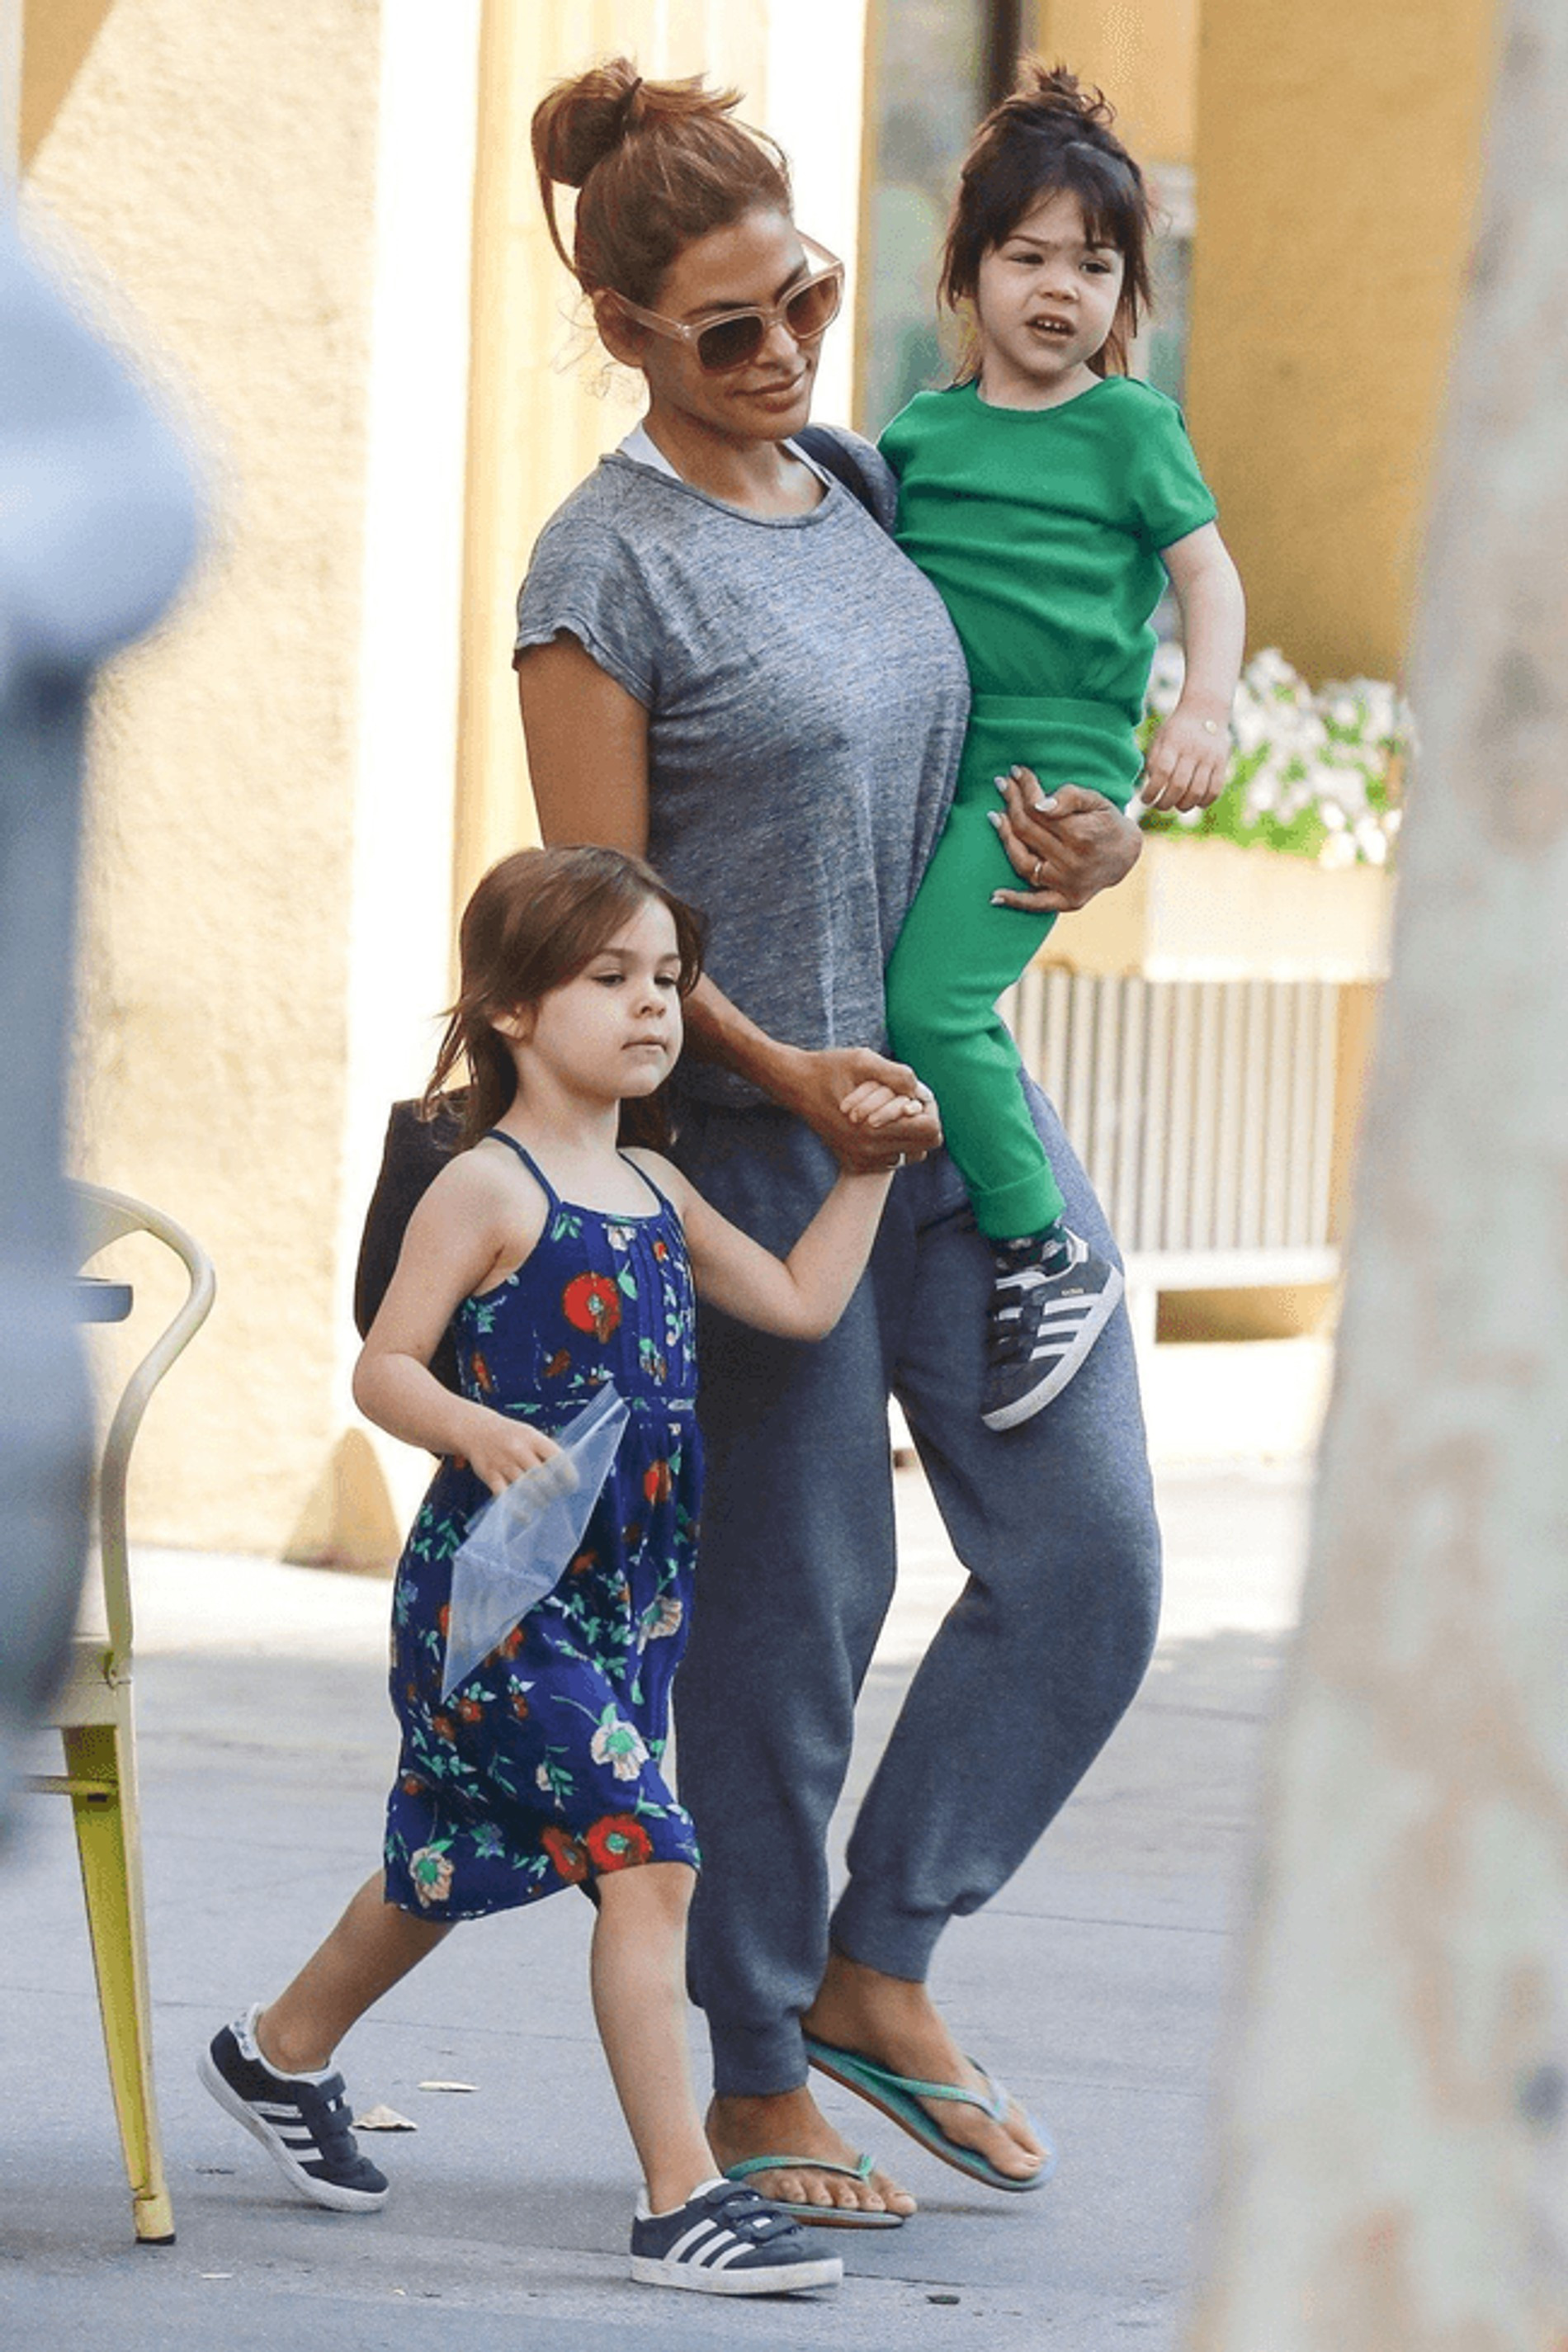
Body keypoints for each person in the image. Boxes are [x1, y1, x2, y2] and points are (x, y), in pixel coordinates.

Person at [514, 59, 1161, 2227]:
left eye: (802, 295)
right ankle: (760, 2061)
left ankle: (885, 1960)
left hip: (950, 1111)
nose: (787, 347)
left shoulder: (869, 482)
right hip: (755, 1148)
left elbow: (1030, 715)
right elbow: (594, 926)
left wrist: (1101, 835)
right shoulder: (600, 567)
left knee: (1089, 1560)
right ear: (623, 329)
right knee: (796, 1618)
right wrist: (788, 1073)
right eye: (730, 329)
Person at [201, 843, 916, 2298]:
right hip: (498, 1599)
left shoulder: (654, 1182)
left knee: (445, 1858)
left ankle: (279, 2051)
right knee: (650, 1855)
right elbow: (384, 1365)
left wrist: (866, 1172)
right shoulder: (488, 1185)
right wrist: (471, 1427)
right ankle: (681, 2196)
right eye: (611, 977)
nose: (653, 1004)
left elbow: (797, 1299)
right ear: (513, 1008)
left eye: (666, 979)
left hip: (620, 1602)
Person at [882, 64, 1246, 1433]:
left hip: (1048, 781)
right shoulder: (919, 436)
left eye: (1094, 266)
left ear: (1126, 295)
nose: (1060, 288)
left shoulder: (1129, 427)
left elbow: (1210, 579)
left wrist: (1198, 714)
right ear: (966, 270)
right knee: (904, 1002)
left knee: (934, 1009)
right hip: (936, 767)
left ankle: (1044, 1244)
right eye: (1027, 255)